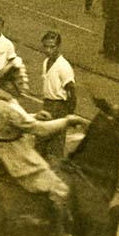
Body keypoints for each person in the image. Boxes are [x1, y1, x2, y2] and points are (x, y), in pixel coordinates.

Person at [0, 56, 86, 236]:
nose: (23, 85)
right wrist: (66, 120)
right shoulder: (9, 106)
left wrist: (33, 115)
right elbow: (39, 130)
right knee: (59, 188)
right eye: (19, 82)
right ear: (8, 83)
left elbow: (15, 121)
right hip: (16, 155)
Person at [39, 30, 76, 162]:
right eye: (46, 46)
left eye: (52, 47)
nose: (48, 50)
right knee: (42, 140)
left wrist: (69, 111)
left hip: (59, 106)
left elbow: (71, 89)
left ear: (58, 47)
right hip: (47, 105)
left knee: (56, 143)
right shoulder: (46, 62)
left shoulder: (63, 66)